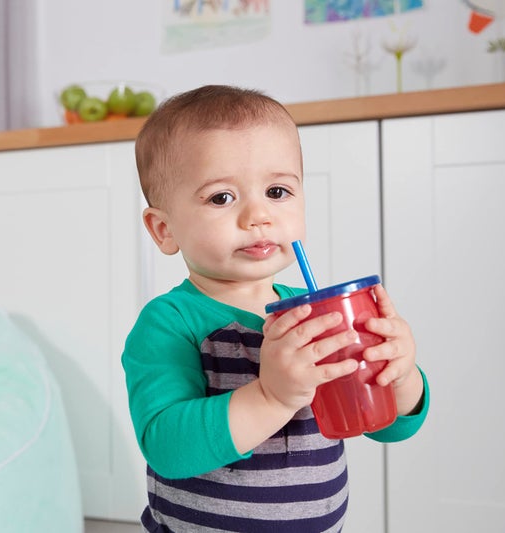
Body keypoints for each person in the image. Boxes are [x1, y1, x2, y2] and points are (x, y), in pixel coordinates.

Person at [121, 85, 429, 532]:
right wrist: (271, 397)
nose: (258, 216)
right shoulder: (169, 323)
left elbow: (388, 428)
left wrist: (399, 377)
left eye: (278, 191)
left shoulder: (318, 316)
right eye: (221, 198)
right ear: (164, 229)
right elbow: (167, 448)